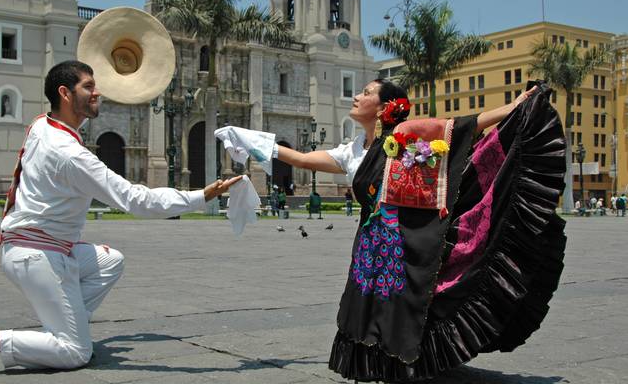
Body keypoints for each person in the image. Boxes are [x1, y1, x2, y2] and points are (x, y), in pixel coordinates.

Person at [220, 78, 567, 381]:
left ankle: (413, 360)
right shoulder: (352, 150)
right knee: (370, 301)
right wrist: (250, 140)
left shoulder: (405, 135)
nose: (356, 96)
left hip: (406, 238)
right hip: (371, 241)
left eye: (366, 92)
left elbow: (463, 126)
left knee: (408, 300)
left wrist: (515, 106)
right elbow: (300, 158)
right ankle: (384, 364)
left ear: (385, 106)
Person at [0, 61, 241, 373]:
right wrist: (200, 196)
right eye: (88, 87)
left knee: (111, 261)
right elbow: (137, 200)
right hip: (39, 255)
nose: (98, 92)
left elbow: (20, 180)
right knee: (75, 353)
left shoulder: (41, 125)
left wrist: (7, 224)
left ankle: (64, 329)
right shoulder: (71, 155)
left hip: (36, 247)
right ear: (64, 93)